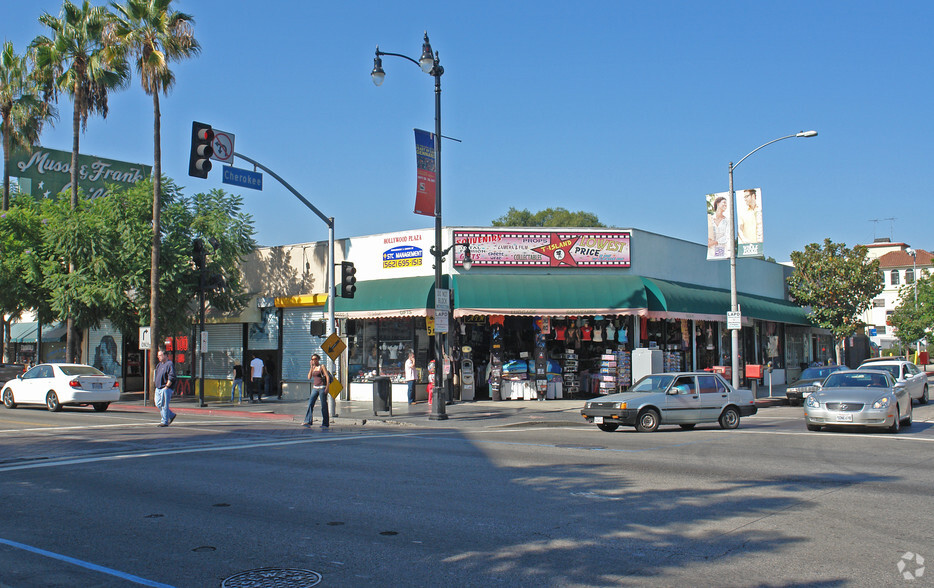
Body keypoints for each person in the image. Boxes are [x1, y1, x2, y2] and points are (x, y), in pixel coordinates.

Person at [303, 354, 330, 428]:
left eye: (315, 359)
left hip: (322, 387)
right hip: (315, 388)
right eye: (312, 359)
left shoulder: (322, 367)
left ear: (318, 359)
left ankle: (325, 423)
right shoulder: (313, 368)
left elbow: (327, 376)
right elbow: (309, 377)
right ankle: (308, 421)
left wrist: (327, 387)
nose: (313, 360)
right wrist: (311, 367)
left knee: (323, 405)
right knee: (310, 403)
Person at [154, 347, 177, 427]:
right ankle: (171, 415)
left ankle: (164, 421)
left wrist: (167, 386)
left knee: (164, 405)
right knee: (158, 404)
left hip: (165, 388)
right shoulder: (159, 365)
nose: (159, 357)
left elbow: (171, 376)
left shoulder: (169, 364)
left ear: (165, 355)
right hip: (158, 388)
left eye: (160, 355)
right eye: (158, 355)